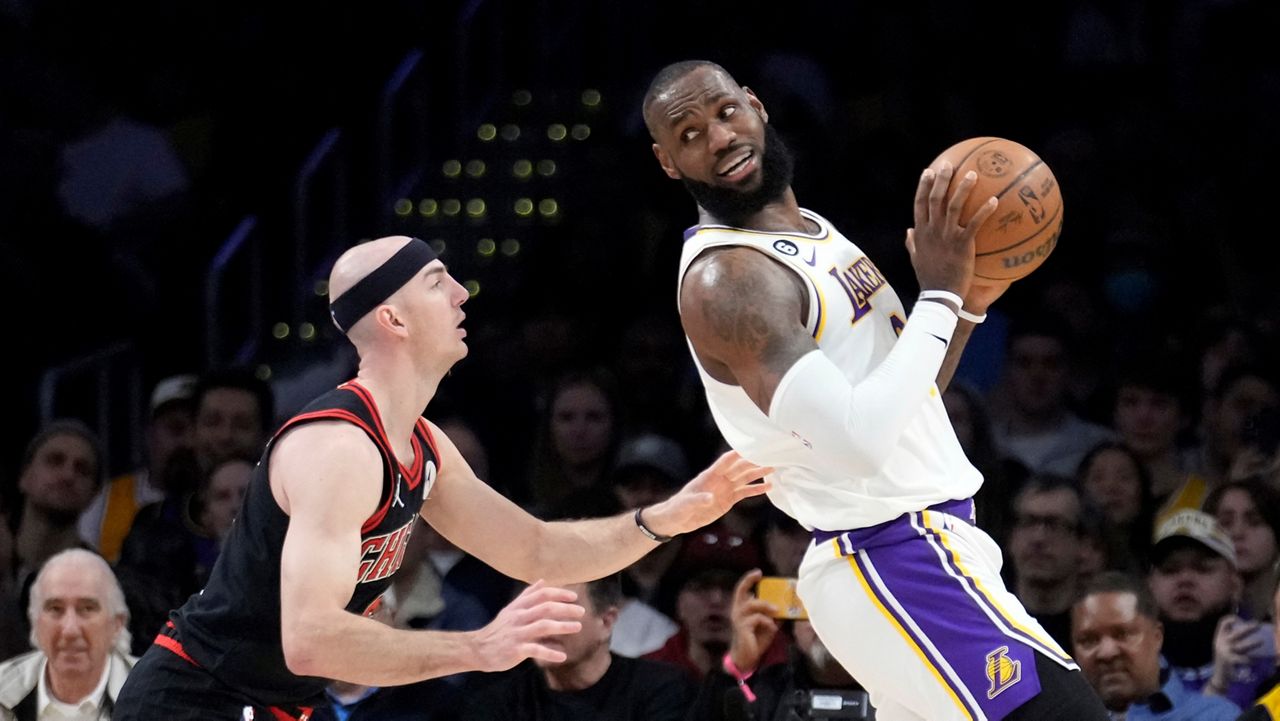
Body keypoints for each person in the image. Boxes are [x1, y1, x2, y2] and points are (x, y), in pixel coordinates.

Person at [112, 235, 771, 719]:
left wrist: (671, 515)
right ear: (392, 319)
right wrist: (480, 646)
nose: (460, 292)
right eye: (436, 281)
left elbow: (541, 549)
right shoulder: (339, 447)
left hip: (269, 706)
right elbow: (310, 638)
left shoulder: (423, 446)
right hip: (193, 698)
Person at [643, 59, 1108, 720]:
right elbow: (857, 445)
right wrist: (941, 294)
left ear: (754, 105)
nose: (718, 137)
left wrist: (966, 306)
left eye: (724, 112)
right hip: (893, 555)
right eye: (689, 134)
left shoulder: (813, 233)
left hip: (919, 550)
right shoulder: (730, 280)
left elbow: (902, 400)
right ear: (668, 162)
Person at [457, 574, 694, 721]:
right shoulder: (497, 701)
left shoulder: (663, 689)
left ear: (606, 622)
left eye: (560, 610)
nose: (544, 623)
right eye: (534, 609)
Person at [1070, 571, 1240, 720]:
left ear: (1157, 637)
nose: (1107, 652)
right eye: (1089, 640)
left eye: (1122, 635)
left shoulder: (1215, 717)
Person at [0, 549, 136, 721]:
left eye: (87, 608)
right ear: (34, 621)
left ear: (117, 624)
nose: (70, 630)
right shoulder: (4, 690)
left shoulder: (156, 694)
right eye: (55, 609)